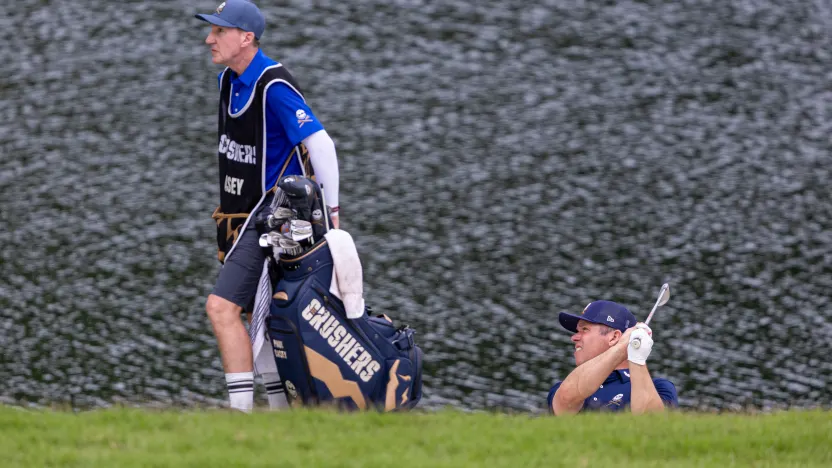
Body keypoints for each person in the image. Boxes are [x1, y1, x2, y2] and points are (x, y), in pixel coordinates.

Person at [195, 0, 341, 412]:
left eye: (219, 32)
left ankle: (239, 419)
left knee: (221, 309)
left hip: (271, 222)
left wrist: (331, 214)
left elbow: (322, 145)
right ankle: (280, 416)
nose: (209, 39)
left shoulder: (272, 84)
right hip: (242, 224)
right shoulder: (229, 80)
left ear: (246, 37)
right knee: (262, 318)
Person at [548, 300, 678, 415]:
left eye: (585, 329)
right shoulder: (563, 387)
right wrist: (622, 347)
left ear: (614, 337)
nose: (574, 337)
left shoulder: (659, 387)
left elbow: (653, 425)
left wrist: (636, 355)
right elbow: (565, 401)